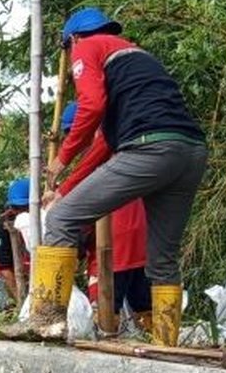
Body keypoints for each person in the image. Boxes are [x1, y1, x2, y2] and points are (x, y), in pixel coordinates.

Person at [40, 7, 207, 345]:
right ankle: (165, 345)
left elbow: (91, 106)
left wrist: (60, 161)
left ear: (72, 40)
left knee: (60, 220)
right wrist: (67, 187)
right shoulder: (136, 58)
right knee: (162, 261)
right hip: (190, 153)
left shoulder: (86, 45)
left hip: (150, 149)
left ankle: (45, 326)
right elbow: (103, 145)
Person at [51, 101, 152, 325]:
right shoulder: (124, 149)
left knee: (105, 314)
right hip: (141, 242)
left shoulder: (99, 159)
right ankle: (159, 347)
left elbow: (79, 221)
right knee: (144, 306)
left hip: (112, 248)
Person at [0, 179, 31, 309]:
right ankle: (3, 308)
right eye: (15, 208)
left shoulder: (43, 218)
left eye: (23, 207)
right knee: (3, 306)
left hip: (29, 270)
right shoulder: (3, 227)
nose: (19, 212)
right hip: (7, 273)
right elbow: (4, 269)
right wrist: (21, 303)